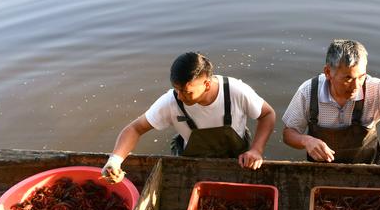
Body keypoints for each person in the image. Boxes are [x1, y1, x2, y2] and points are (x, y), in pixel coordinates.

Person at [102, 52, 275, 182]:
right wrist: (114, 161)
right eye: (176, 89)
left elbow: (267, 114)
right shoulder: (171, 101)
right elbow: (135, 128)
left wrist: (256, 150)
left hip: (238, 159)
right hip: (194, 161)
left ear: (207, 84)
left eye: (186, 92)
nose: (180, 97)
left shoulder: (235, 91)